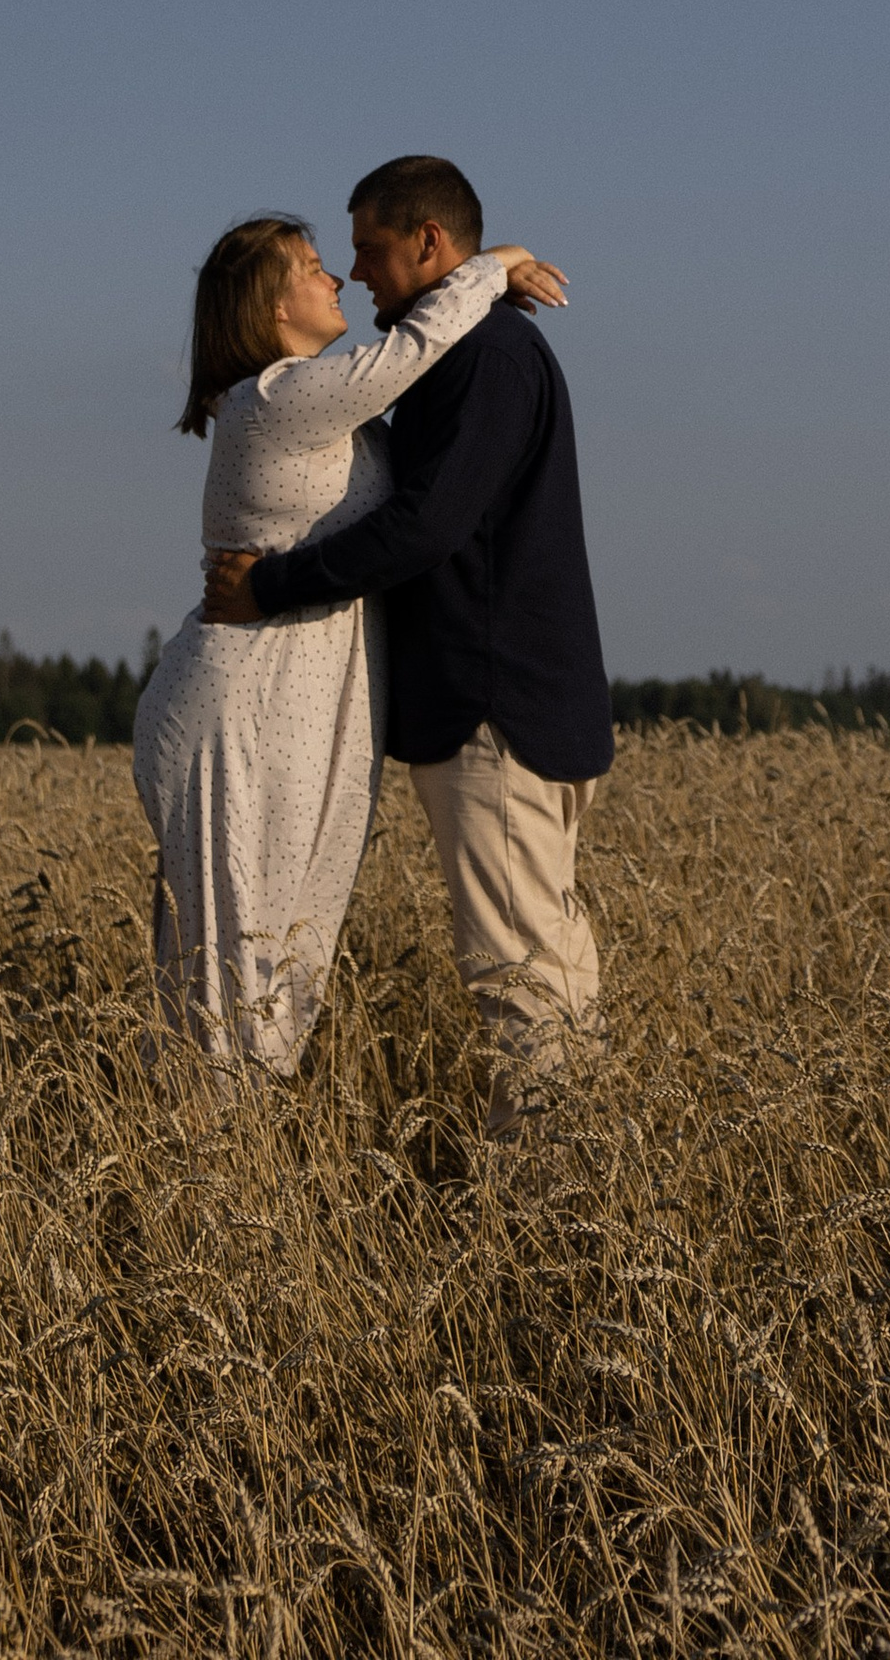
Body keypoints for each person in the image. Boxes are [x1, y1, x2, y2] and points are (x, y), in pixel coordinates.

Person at [203, 154, 611, 1136]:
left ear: (429, 244)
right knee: (547, 959)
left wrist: (270, 586)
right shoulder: (463, 351)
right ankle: (585, 1175)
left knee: (520, 977)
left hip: (490, 712)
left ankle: (553, 1199)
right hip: (511, 700)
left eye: (371, 251)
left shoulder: (481, 358)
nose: (357, 274)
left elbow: (427, 527)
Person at [132, 208, 567, 1079]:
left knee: (278, 960)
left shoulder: (316, 408)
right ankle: (203, 1182)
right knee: (234, 977)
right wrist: (496, 263)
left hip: (300, 704)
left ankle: (215, 1170)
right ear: (269, 307)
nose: (336, 280)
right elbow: (410, 352)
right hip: (249, 714)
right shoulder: (274, 401)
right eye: (314, 266)